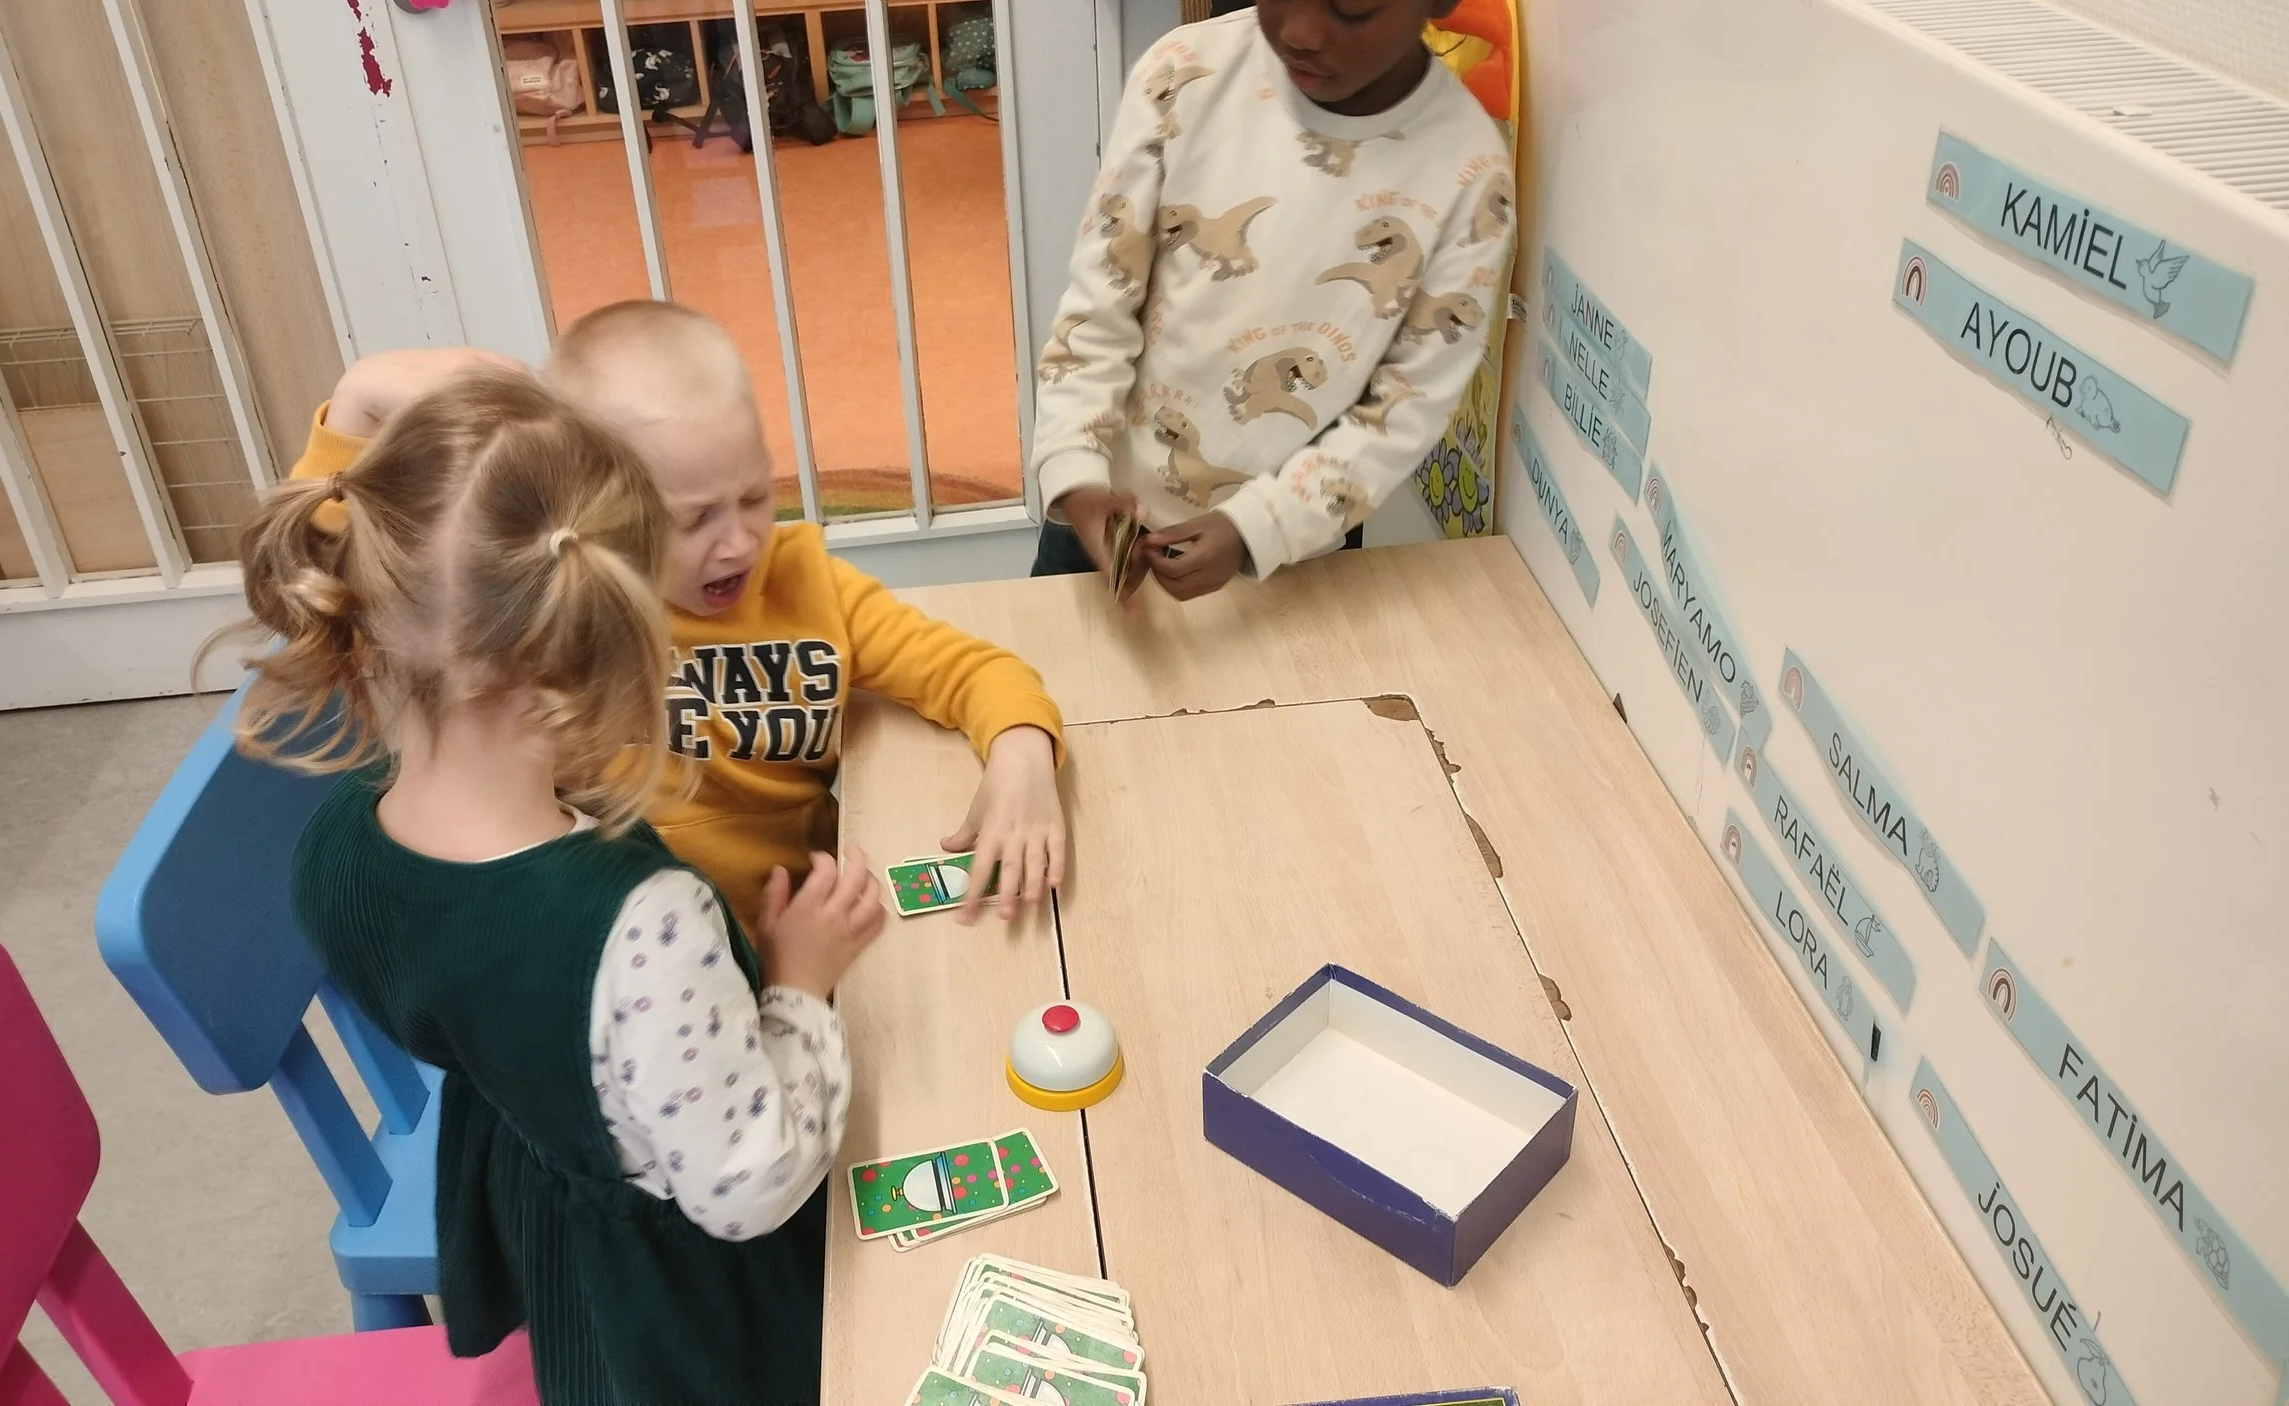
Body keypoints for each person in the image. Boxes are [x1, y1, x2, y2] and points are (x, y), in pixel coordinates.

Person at [226, 367, 881, 1405]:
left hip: (548, 1191)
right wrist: (799, 983)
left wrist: (395, 407)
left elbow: (369, 399)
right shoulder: (642, 924)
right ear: (607, 651)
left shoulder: (339, 843)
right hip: (690, 1300)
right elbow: (746, 1183)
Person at [291, 305, 1067, 931]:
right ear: (593, 514)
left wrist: (1023, 756)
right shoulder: (560, 608)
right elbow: (344, 582)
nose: (739, 542)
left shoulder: (808, 586)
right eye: (692, 519)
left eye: (756, 496)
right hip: (627, 962)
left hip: (800, 938)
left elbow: (971, 669)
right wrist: (356, 403)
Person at [1029, 0, 1515, 599]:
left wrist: (1257, 530)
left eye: (1352, 6)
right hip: (1103, 509)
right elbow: (1098, 304)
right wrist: (1074, 468)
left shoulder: (1473, 174)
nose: (1301, 33)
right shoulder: (1182, 72)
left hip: (1291, 553)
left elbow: (1407, 406)